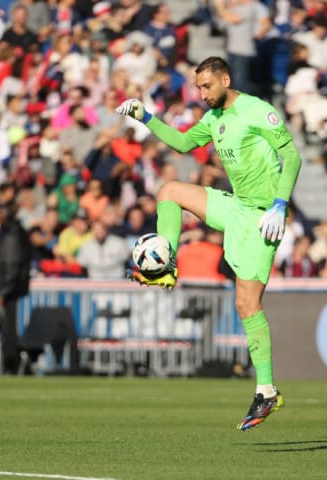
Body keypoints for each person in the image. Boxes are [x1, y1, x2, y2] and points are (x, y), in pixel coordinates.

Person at [116, 56, 302, 431]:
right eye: (198, 88)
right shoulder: (213, 118)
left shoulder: (256, 111)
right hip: (236, 207)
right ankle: (166, 261)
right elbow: (184, 143)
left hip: (263, 218)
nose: (202, 94)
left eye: (207, 87)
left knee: (247, 304)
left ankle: (266, 391)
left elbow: (292, 156)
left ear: (226, 79)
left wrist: (281, 205)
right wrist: (145, 117)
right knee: (168, 190)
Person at [0, 204, 31, 374]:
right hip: (11, 286)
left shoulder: (11, 234)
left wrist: (2, 291)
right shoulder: (14, 232)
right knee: (8, 326)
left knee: (8, 328)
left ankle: (10, 363)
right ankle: (9, 361)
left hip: (8, 288)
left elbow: (11, 263)